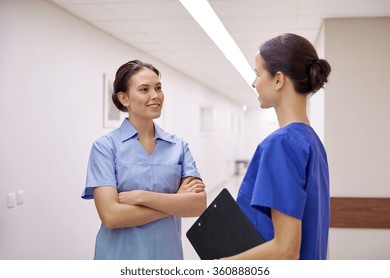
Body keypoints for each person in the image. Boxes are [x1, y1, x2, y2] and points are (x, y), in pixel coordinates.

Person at [81, 59, 206, 260]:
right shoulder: (105, 147)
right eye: (144, 89)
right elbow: (111, 216)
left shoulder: (178, 146)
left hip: (167, 256)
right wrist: (174, 202)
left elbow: (197, 205)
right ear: (124, 98)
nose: (155, 96)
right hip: (118, 256)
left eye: (158, 88)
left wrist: (142, 197)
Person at [223, 33, 331, 260]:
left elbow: (285, 250)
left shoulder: (282, 144)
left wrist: (224, 266)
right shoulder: (311, 141)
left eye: (257, 74)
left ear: (278, 79)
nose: (254, 83)